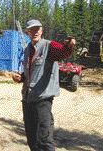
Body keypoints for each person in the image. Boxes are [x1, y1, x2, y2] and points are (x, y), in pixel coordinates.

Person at [12, 19, 76, 151]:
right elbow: (30, 72)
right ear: (27, 33)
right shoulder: (27, 49)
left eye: (37, 29)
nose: (35, 32)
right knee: (31, 138)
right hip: (27, 98)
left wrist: (69, 46)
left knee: (44, 138)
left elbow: (63, 52)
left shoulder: (49, 46)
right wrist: (21, 77)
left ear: (42, 31)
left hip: (43, 99)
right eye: (31, 30)